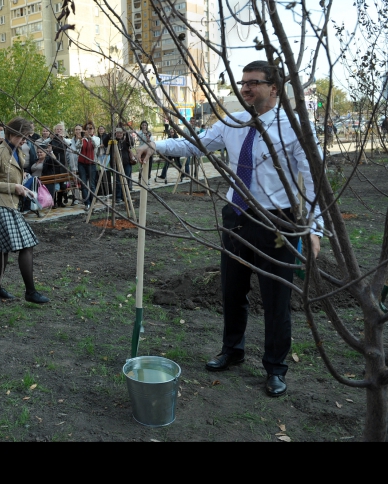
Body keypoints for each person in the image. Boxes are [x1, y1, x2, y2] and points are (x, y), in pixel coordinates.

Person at [138, 60, 323, 398]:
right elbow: (196, 144)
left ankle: (275, 368)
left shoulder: (293, 128)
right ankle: (232, 350)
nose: (246, 88)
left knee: (275, 299)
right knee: (232, 291)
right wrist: (157, 146)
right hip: (237, 217)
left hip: (277, 222)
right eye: (243, 82)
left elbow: (312, 181)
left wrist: (314, 228)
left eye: (254, 82)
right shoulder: (233, 122)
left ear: (275, 88)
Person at [0, 116, 49, 305]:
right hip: (1, 204)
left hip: (12, 204)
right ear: (13, 133)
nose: (25, 140)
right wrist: (14, 187)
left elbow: (12, 176)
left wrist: (23, 184)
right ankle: (30, 291)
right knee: (26, 245)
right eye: (23, 136)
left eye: (27, 137)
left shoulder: (17, 151)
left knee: (3, 249)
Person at [77, 122, 99, 211]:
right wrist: (80, 139)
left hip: (92, 163)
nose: (89, 130)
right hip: (81, 163)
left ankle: (92, 202)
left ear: (93, 129)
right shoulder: (82, 139)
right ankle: (87, 203)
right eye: (87, 128)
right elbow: (78, 147)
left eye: (90, 128)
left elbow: (95, 145)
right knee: (83, 183)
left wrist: (89, 137)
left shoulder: (96, 138)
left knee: (92, 185)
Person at [49, 123, 70, 207]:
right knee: (54, 183)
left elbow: (69, 146)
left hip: (63, 164)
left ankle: (60, 201)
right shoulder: (52, 140)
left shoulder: (65, 140)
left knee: (62, 184)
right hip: (54, 164)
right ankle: (53, 202)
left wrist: (63, 138)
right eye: (57, 129)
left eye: (60, 129)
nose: (59, 131)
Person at [113, 126, 134, 203]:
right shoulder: (113, 141)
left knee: (126, 180)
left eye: (120, 133)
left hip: (126, 162)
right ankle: (118, 197)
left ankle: (125, 195)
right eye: (117, 133)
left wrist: (127, 133)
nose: (119, 134)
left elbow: (132, 143)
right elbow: (105, 142)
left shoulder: (126, 140)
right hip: (117, 163)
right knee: (118, 180)